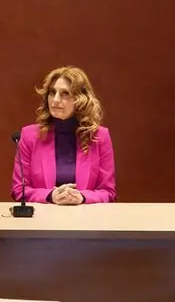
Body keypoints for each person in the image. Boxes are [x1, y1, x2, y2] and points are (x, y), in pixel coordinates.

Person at [11, 66, 116, 205]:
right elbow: (19, 190)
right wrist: (50, 196)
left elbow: (108, 192)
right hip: (41, 221)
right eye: (52, 92)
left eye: (65, 93)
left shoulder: (100, 137)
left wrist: (82, 197)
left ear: (81, 99)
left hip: (87, 221)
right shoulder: (29, 136)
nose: (55, 100)